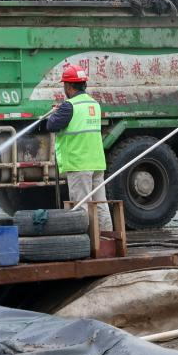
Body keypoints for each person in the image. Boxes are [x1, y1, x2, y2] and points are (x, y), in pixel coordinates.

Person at [46, 63, 113, 231]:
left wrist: (56, 112)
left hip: (79, 164)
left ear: (68, 86)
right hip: (96, 163)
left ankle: (83, 244)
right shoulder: (94, 104)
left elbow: (51, 125)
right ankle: (106, 242)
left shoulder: (69, 106)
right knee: (100, 205)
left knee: (80, 206)